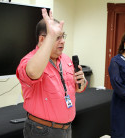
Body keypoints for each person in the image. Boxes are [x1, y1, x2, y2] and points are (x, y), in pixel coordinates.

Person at [16, 9, 88, 138]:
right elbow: (32, 72)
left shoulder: (65, 59)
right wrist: (51, 36)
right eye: (57, 37)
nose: (63, 41)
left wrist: (81, 82)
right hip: (42, 130)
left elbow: (77, 88)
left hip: (66, 128)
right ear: (43, 39)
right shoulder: (29, 60)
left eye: (62, 36)